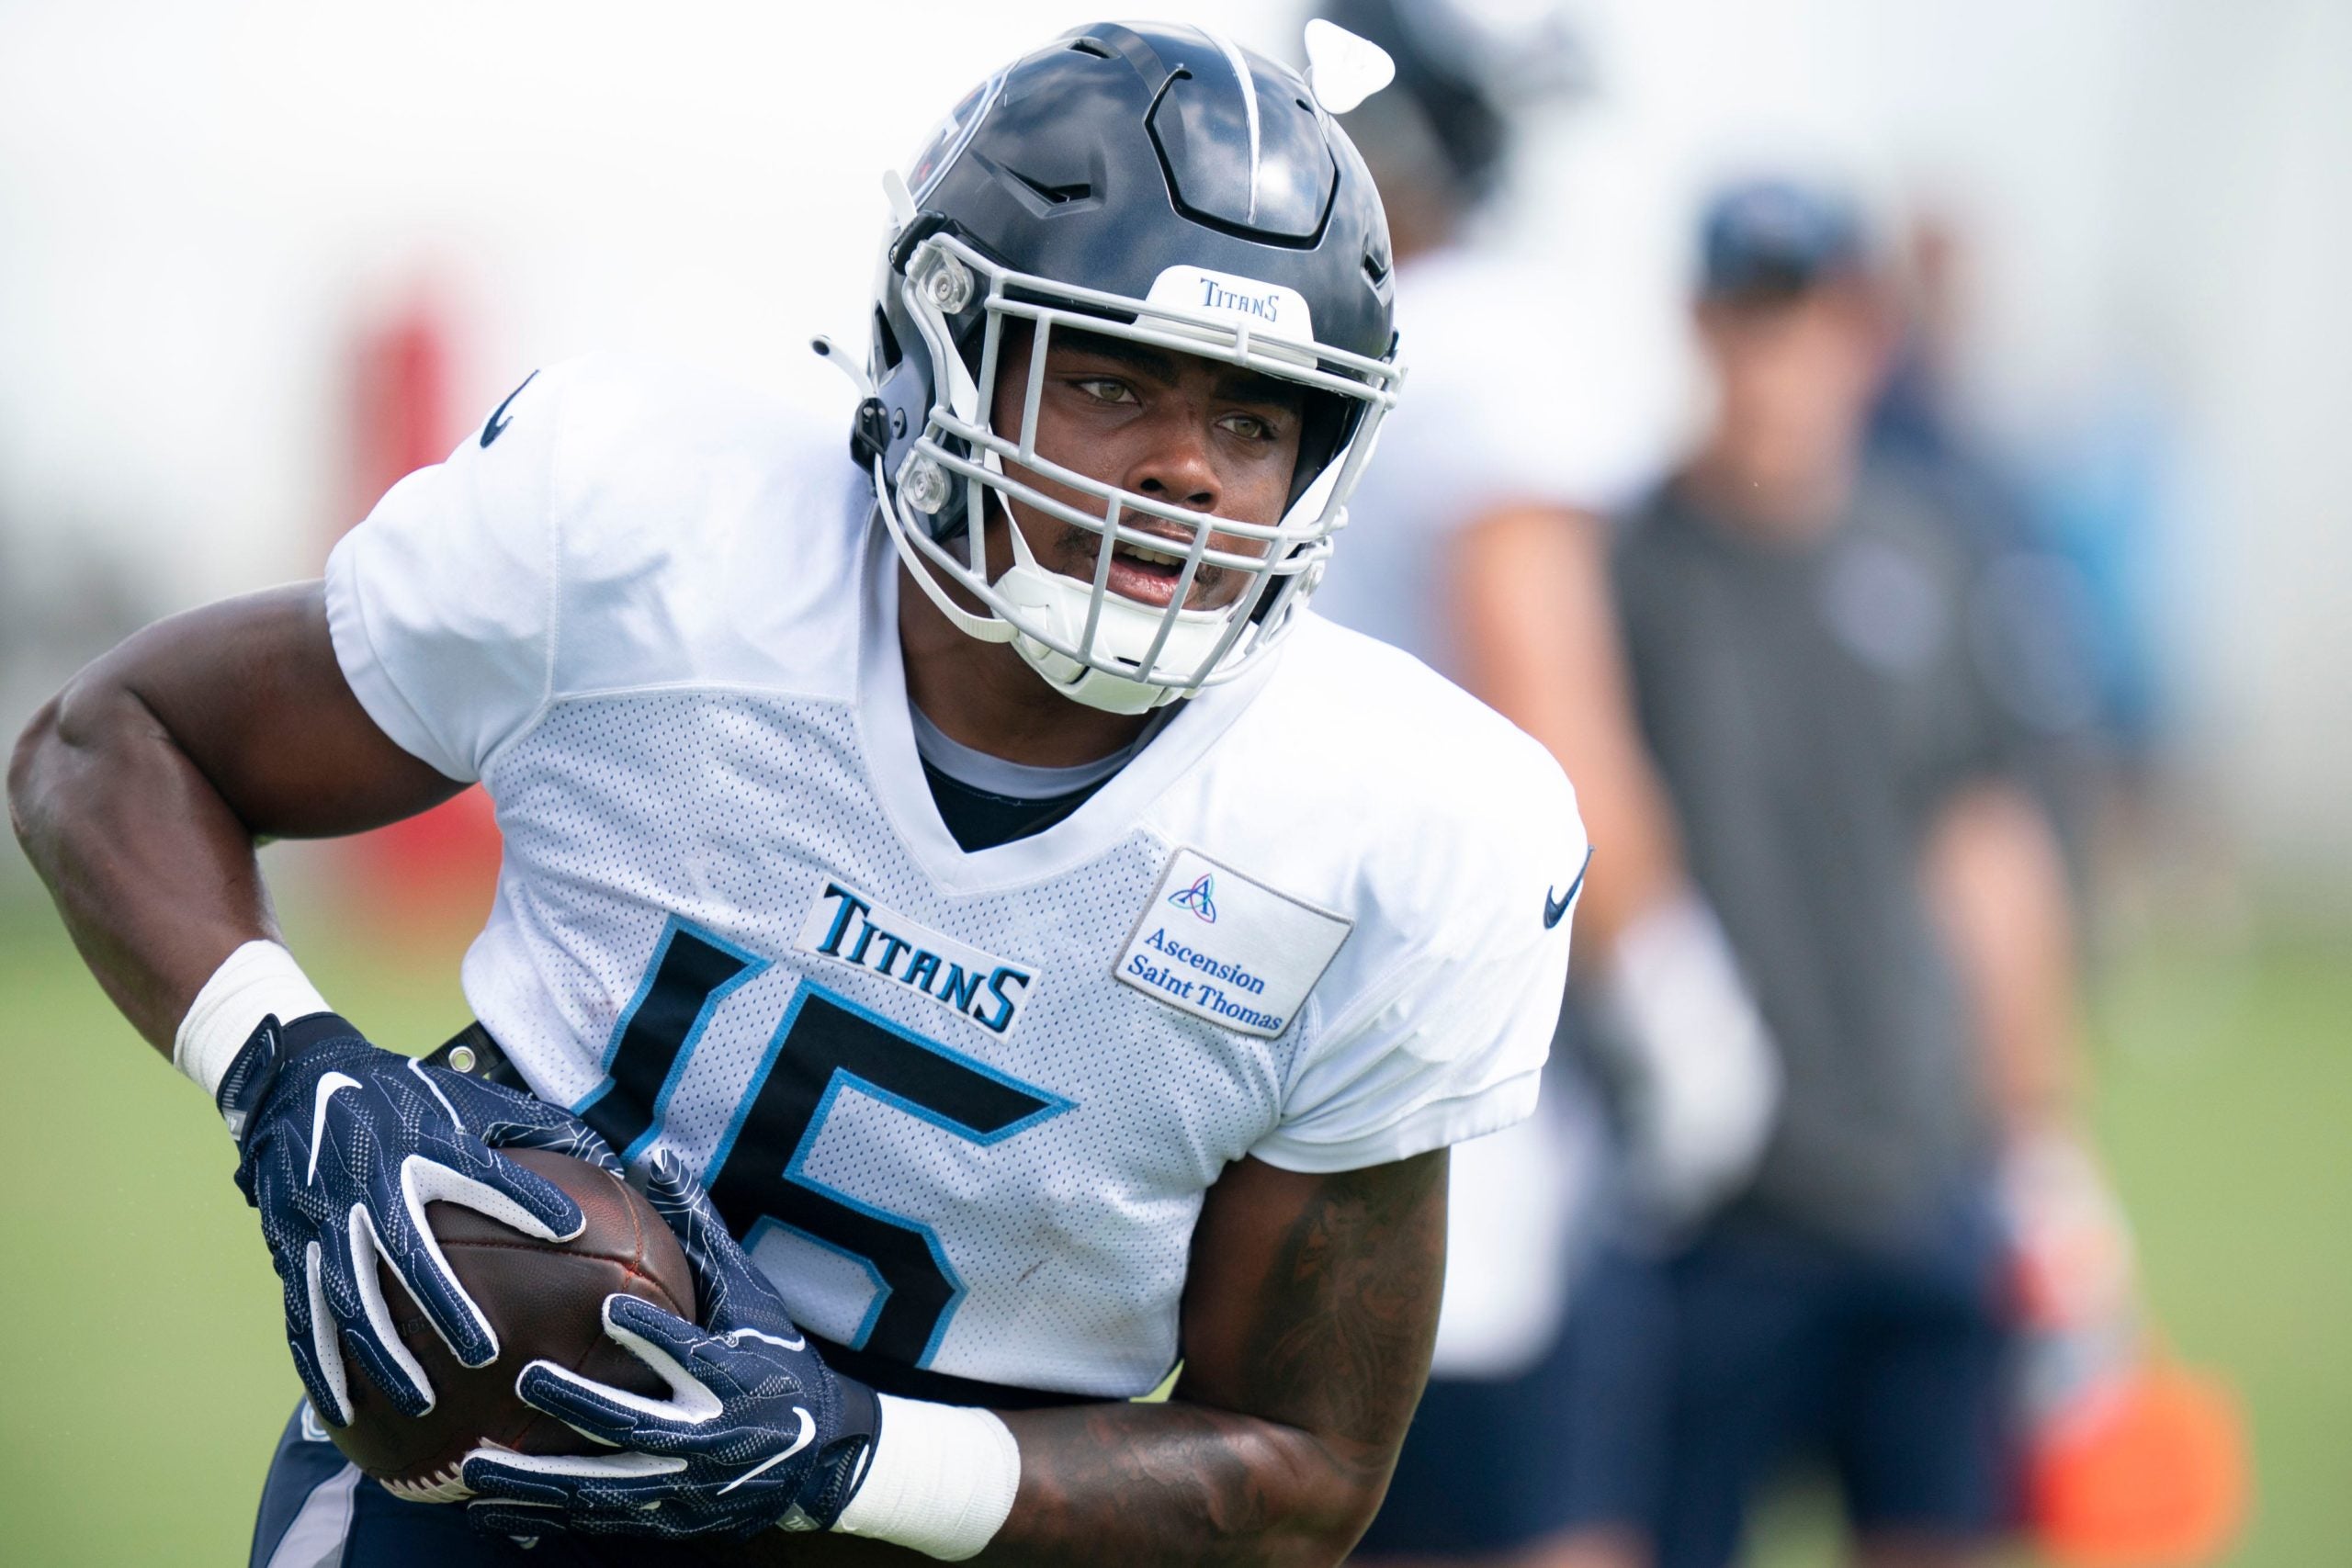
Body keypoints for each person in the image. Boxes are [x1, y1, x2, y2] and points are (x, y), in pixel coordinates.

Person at [6, 22, 1589, 1568]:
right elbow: (106, 744)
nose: (1189, 469)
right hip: (497, 1497)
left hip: (974, 1535)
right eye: (1112, 381)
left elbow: (1304, 1480)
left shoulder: (1397, 832)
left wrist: (853, 1455)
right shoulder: (656, 535)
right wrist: (288, 1074)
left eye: (1253, 418)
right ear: (945, 352)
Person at [1303, 5, 1780, 1564]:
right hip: (1456, 1079)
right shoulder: (1486, 341)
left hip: (1294, 1025)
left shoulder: (1321, 338)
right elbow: (1550, 715)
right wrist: (1673, 983)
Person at [1602, 179, 2094, 1568]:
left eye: (1808, 320)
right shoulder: (1629, 565)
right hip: (1711, 1208)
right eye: (1749, 319)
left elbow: (1987, 851)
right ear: (1700, 328)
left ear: (1866, 335)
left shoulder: (1928, 551)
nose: (1778, 358)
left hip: (1919, 1180)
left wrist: (2044, 1150)